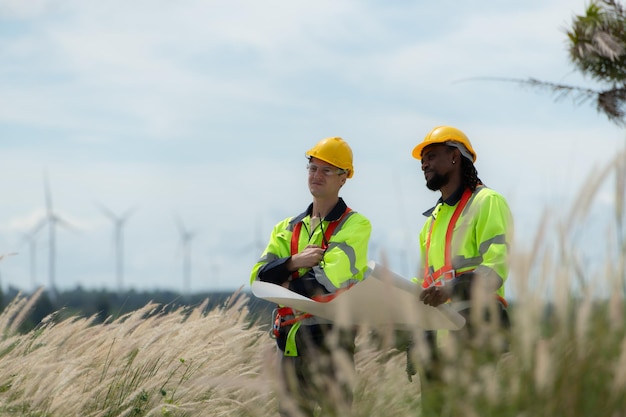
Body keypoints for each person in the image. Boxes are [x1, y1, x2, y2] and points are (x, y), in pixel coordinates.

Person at [250, 136, 372, 417]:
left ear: (344, 178)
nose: (317, 175)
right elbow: (258, 278)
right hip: (289, 344)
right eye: (313, 168)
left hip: (331, 346)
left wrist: (283, 278)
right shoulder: (287, 227)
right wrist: (295, 261)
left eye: (326, 170)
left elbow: (326, 283)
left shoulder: (356, 225)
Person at [409, 125, 513, 416]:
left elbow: (495, 269)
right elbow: (421, 285)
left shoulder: (487, 202)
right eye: (422, 160)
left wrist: (451, 289)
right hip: (436, 342)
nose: (424, 164)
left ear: (455, 157)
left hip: (477, 334)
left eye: (430, 156)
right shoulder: (430, 223)